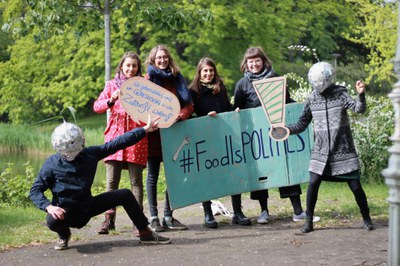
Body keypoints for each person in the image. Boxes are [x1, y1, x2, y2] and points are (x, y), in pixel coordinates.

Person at [29, 116, 171, 251]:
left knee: (125, 195)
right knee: (52, 220)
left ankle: (145, 233)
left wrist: (144, 129)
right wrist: (49, 207)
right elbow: (35, 190)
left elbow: (118, 143)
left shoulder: (90, 154)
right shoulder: (51, 164)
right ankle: (64, 235)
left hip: (88, 206)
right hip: (66, 212)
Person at [232, 46, 318, 225]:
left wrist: (303, 106)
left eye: (257, 60)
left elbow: (287, 102)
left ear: (263, 61)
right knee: (261, 173)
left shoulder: (275, 78)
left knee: (285, 167)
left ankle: (298, 211)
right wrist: (238, 111)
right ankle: (263, 211)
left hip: (277, 132)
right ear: (246, 64)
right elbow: (238, 108)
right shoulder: (242, 84)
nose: (254, 64)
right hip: (257, 138)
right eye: (250, 61)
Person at [286, 61, 374, 233]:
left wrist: (361, 95)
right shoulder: (312, 98)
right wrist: (286, 130)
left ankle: (367, 218)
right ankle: (308, 222)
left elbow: (359, 109)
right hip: (320, 151)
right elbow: (302, 124)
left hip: (343, 149)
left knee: (355, 186)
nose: (319, 85)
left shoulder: (341, 94)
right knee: (313, 183)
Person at [93, 52, 147, 235]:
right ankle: (108, 220)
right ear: (122, 66)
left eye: (134, 66)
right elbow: (97, 107)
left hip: (136, 140)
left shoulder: (144, 87)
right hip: (114, 140)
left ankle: (138, 223)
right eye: (128, 65)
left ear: (138, 67)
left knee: (136, 182)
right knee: (111, 183)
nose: (131, 69)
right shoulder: (111, 85)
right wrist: (111, 100)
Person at [145, 44, 194, 232]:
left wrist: (180, 116)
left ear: (169, 58)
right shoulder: (147, 80)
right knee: (152, 176)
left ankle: (168, 215)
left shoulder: (177, 78)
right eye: (159, 58)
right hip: (154, 135)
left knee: (172, 177)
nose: (162, 60)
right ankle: (154, 218)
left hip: (173, 135)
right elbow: (141, 107)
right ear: (153, 60)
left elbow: (189, 104)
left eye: (165, 57)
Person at [189, 57, 233, 228]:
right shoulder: (193, 91)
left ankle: (237, 211)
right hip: (203, 138)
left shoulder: (220, 88)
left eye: (211, 71)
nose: (208, 74)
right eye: (205, 71)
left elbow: (227, 107)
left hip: (222, 136)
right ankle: (208, 214)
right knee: (205, 176)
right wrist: (204, 119)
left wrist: (234, 110)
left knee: (231, 171)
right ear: (199, 72)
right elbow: (189, 116)